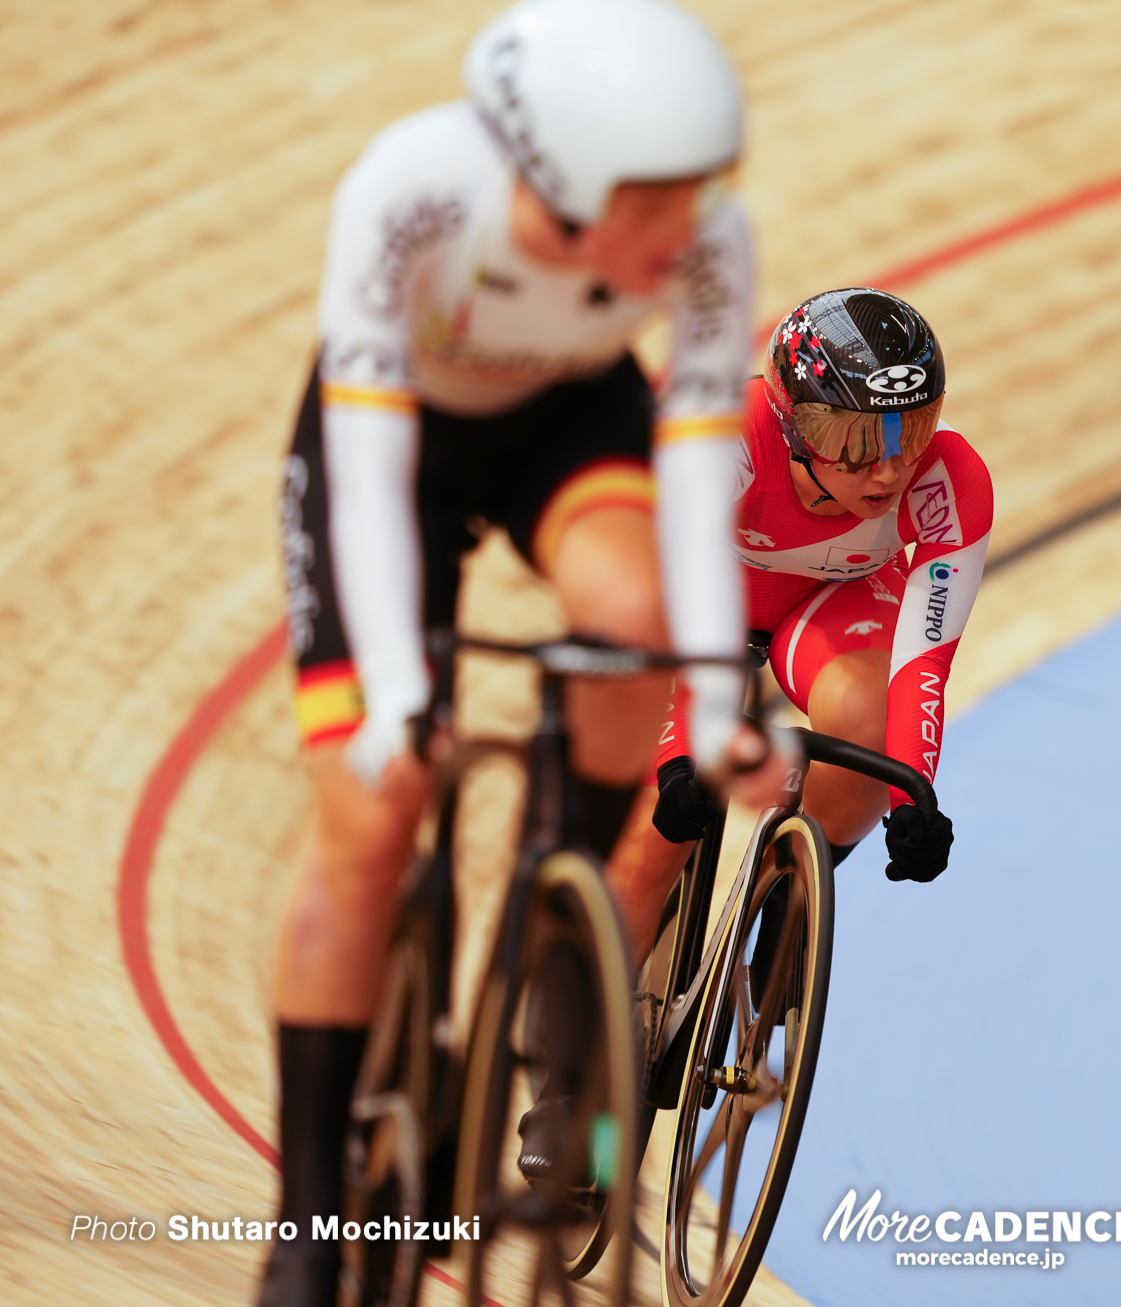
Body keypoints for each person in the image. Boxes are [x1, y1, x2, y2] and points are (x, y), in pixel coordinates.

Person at [263, 1, 777, 1300]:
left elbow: (701, 466)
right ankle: (313, 1205)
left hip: (570, 426)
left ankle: (566, 896)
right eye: (653, 201)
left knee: (637, 616)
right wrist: (394, 689)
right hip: (391, 444)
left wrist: (716, 691)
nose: (687, 228)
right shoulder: (413, 190)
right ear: (555, 174)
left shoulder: (711, 242)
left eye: (699, 191)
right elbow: (370, 463)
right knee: (370, 816)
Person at [606, 287, 984, 970]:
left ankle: (794, 888)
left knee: (870, 711)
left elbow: (921, 665)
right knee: (646, 849)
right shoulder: (731, 440)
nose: (891, 468)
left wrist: (911, 801)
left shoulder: (950, 481)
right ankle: (588, 1054)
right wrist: (677, 761)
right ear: (796, 429)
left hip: (832, 602)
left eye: (912, 429)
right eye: (858, 442)